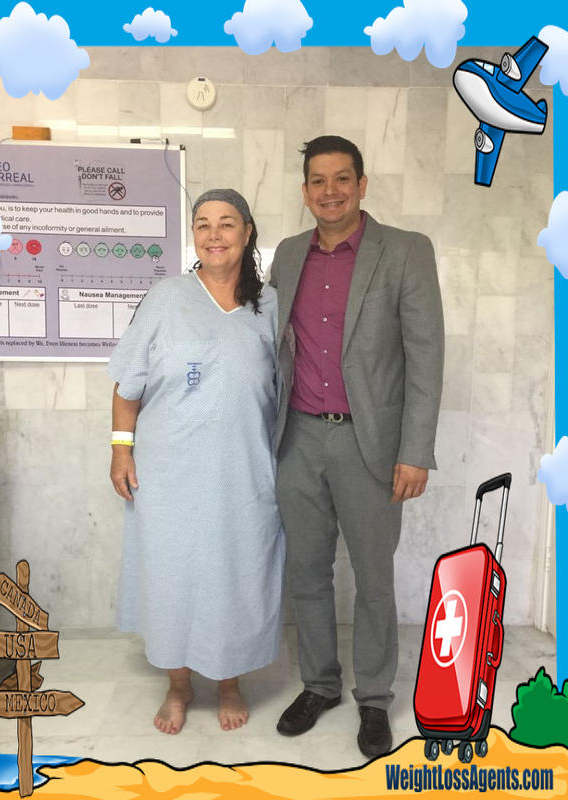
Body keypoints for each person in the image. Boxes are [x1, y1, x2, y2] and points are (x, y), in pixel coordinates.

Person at [269, 136, 444, 759]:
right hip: (297, 438)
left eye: (342, 179)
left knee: (372, 577)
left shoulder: (405, 251)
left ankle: (373, 697)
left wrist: (415, 450)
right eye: (318, 181)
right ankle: (320, 685)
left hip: (371, 443)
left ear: (362, 184)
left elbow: (426, 356)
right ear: (305, 191)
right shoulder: (288, 255)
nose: (331, 191)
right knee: (307, 572)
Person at [108, 189, 284, 735]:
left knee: (237, 572)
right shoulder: (166, 298)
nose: (214, 234)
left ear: (247, 233)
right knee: (173, 575)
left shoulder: (271, 306)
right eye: (203, 224)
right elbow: (128, 383)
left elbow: (290, 388)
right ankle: (179, 685)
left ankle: (229, 682)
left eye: (226, 223)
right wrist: (120, 448)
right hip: (169, 473)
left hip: (243, 471)